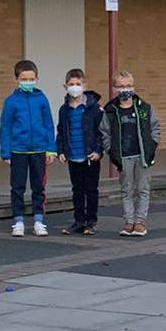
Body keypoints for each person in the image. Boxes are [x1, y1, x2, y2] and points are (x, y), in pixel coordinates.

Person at [0, 60, 57, 238]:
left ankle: (39, 221)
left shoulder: (41, 98)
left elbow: (48, 124)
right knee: (17, 187)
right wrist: (5, 151)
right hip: (18, 151)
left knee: (39, 186)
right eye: (24, 78)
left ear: (37, 78)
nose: (28, 81)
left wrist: (51, 149)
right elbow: (5, 127)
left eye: (31, 78)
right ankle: (18, 221)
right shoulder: (11, 101)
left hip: (39, 150)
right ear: (17, 79)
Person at [99, 71, 160, 238]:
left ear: (133, 87)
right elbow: (105, 132)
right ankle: (129, 221)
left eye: (128, 86)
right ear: (114, 89)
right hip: (123, 156)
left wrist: (152, 145)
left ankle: (140, 222)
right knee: (126, 190)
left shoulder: (144, 108)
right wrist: (110, 150)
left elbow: (155, 128)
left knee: (142, 188)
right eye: (121, 86)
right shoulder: (110, 111)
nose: (125, 89)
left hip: (142, 155)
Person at [59, 69, 103, 236]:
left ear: (85, 85)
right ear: (65, 86)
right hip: (73, 155)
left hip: (90, 156)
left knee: (91, 190)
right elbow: (61, 131)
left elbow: (101, 132)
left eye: (78, 84)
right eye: (71, 84)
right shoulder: (64, 110)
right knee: (77, 189)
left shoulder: (94, 109)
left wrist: (98, 150)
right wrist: (61, 151)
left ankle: (91, 222)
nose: (75, 87)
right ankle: (79, 221)